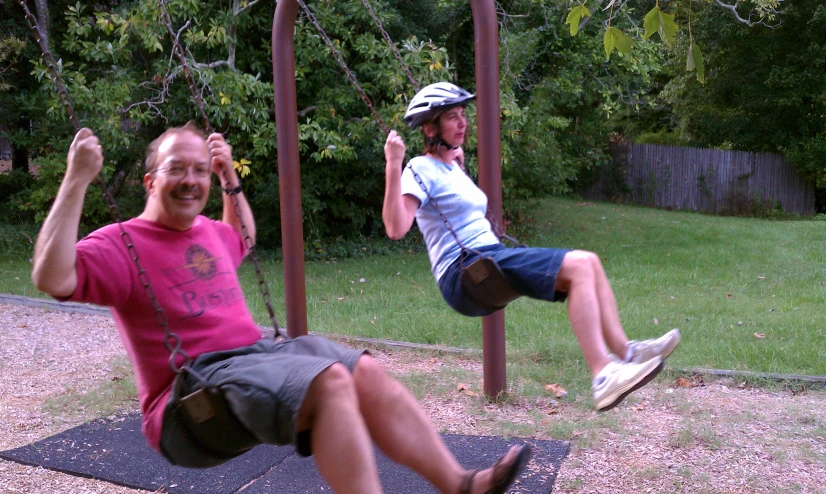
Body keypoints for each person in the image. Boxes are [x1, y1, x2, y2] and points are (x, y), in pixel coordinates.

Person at [31, 124, 532, 494]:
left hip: (256, 355)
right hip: (192, 395)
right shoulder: (122, 243)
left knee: (365, 372)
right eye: (176, 169)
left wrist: (228, 176)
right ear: (148, 181)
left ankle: (462, 485)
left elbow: (243, 236)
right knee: (330, 381)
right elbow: (52, 276)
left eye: (199, 171)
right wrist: (77, 179)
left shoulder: (208, 231)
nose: (190, 181)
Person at [382, 82, 681, 412]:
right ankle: (603, 377)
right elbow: (396, 228)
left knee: (590, 262)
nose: (463, 123)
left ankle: (627, 353)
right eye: (452, 117)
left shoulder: (451, 166)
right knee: (579, 266)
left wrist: (457, 166)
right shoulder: (419, 169)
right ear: (429, 127)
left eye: (463, 115)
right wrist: (393, 164)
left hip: (488, 255)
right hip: (465, 270)